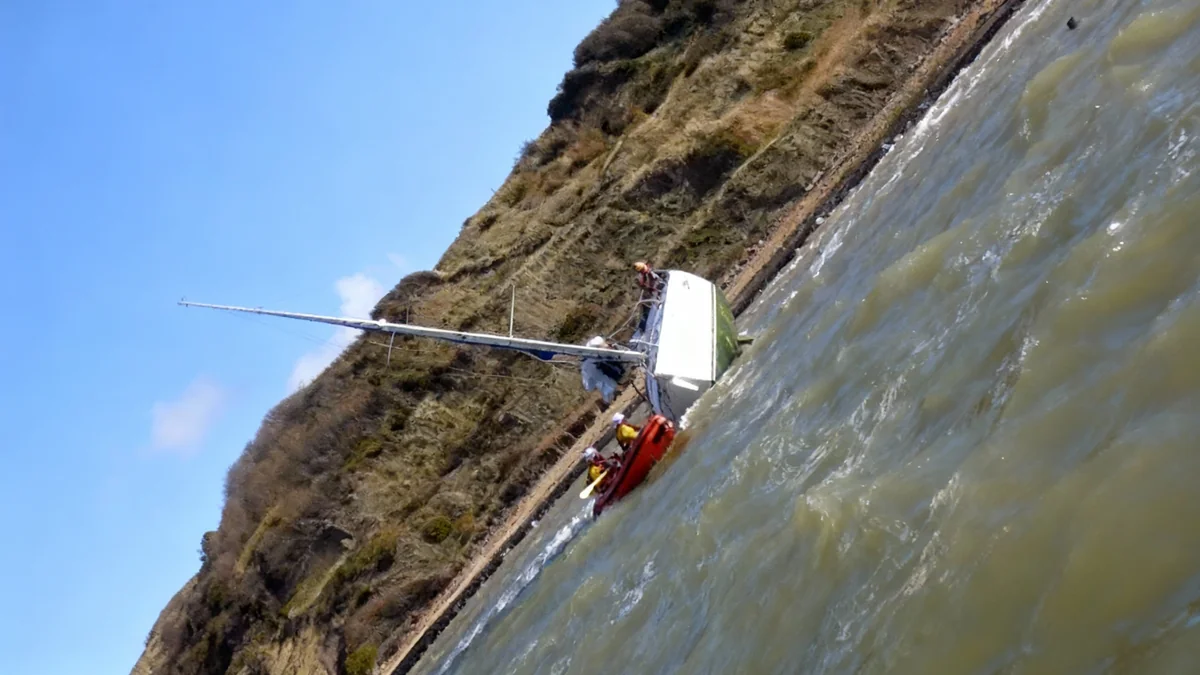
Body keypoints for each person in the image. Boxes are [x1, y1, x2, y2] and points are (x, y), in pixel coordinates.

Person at [580, 335, 623, 403]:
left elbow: (589, 386)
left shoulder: (588, 365)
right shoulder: (589, 365)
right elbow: (588, 386)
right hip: (612, 381)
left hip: (614, 379)